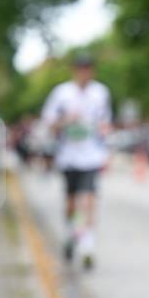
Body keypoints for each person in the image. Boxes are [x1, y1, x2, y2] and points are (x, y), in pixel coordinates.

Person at [40, 54, 112, 269]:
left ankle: (87, 246)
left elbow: (106, 122)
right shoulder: (62, 93)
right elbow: (48, 122)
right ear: (74, 70)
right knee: (72, 205)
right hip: (68, 156)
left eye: (88, 69)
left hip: (91, 156)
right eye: (81, 69)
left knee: (88, 200)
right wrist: (65, 120)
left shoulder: (100, 92)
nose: (84, 73)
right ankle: (72, 235)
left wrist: (104, 135)